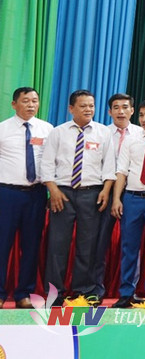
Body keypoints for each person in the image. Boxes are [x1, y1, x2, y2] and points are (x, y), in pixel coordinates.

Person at [40, 89, 114, 304]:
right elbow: (46, 164)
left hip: (92, 193)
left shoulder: (103, 133)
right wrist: (53, 190)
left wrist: (105, 191)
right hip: (62, 194)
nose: (88, 109)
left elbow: (109, 166)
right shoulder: (58, 132)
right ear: (71, 108)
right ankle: (54, 294)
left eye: (91, 105)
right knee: (57, 245)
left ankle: (84, 291)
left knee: (87, 245)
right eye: (83, 106)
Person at [0, 87, 53, 308]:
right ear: (14, 104)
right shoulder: (3, 129)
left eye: (34, 101)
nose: (31, 105)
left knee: (31, 246)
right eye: (25, 101)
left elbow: (51, 162)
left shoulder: (47, 129)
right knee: (2, 244)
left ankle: (24, 294)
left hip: (36, 194)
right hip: (7, 194)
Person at [110, 99, 145, 308]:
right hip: (131, 198)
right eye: (141, 115)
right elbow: (121, 171)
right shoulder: (131, 140)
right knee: (129, 248)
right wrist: (117, 198)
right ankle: (126, 293)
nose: (143, 119)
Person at [96, 93, 144, 301]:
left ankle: (130, 291)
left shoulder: (142, 133)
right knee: (99, 242)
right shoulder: (101, 133)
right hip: (105, 192)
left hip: (134, 192)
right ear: (109, 111)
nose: (121, 111)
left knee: (132, 244)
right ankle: (95, 290)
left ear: (132, 110)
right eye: (116, 107)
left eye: (125, 107)